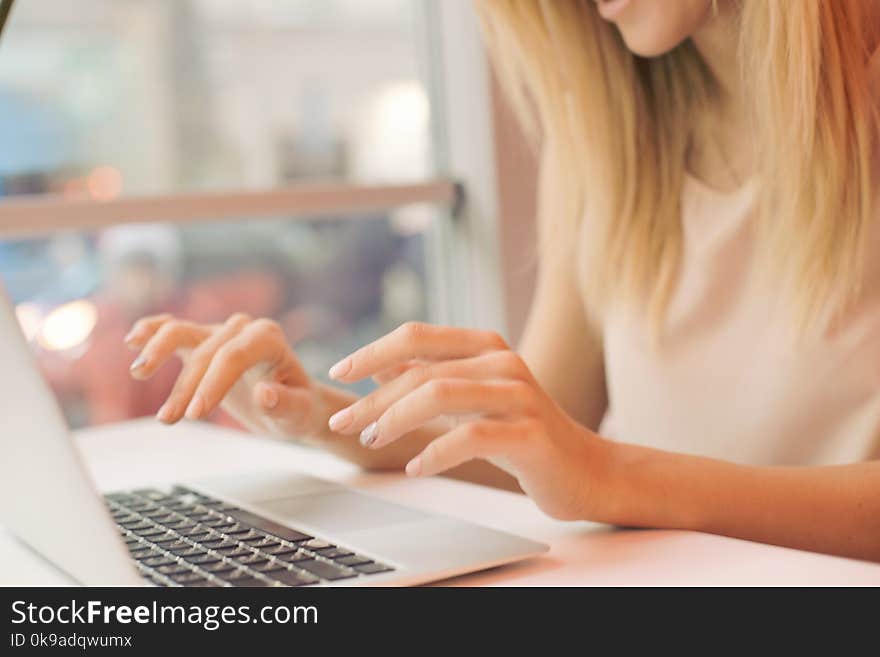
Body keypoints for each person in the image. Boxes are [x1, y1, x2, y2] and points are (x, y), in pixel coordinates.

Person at [126, 0, 880, 562]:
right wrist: (318, 416)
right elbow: (531, 448)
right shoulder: (610, 141)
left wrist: (613, 474)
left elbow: (587, 470)